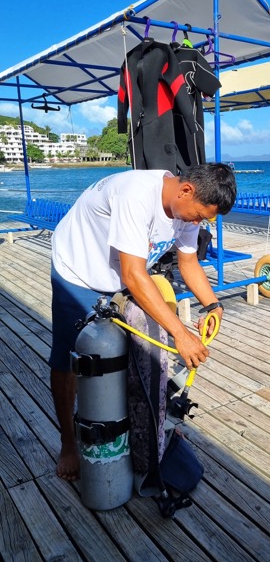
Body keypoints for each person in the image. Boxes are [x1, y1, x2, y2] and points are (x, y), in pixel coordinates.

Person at [49, 163, 236, 480]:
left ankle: (129, 428)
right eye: (199, 216)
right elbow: (134, 275)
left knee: (121, 355)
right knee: (68, 360)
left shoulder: (186, 207)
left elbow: (188, 261)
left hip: (119, 276)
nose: (198, 223)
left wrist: (213, 306)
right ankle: (68, 442)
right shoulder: (136, 194)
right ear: (186, 190)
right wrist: (181, 334)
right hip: (77, 271)